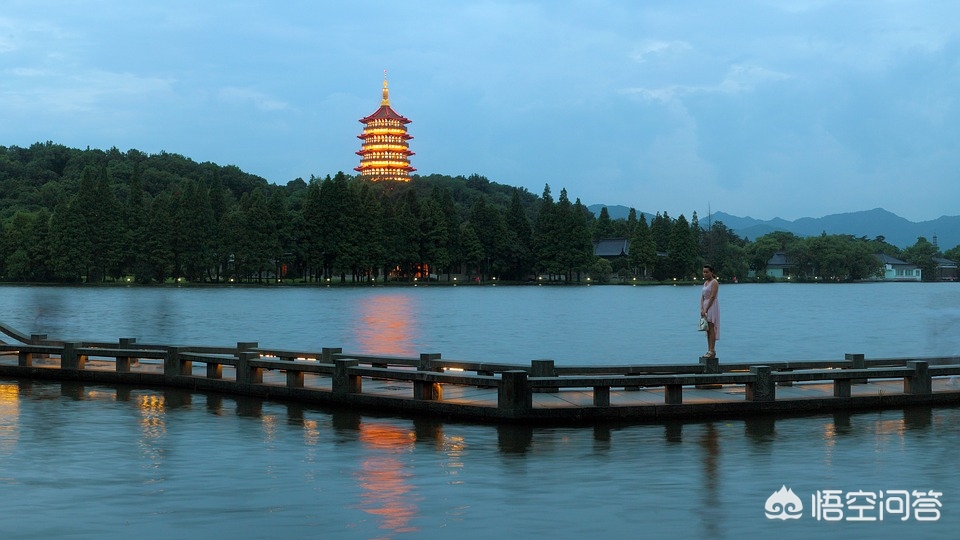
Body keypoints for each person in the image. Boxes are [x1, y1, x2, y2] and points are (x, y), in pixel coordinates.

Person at [700, 265, 720, 358]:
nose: (705, 274)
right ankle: (708, 349)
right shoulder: (705, 283)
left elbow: (712, 296)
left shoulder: (714, 282)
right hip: (705, 306)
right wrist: (702, 309)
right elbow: (702, 297)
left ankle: (712, 350)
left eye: (707, 272)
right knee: (707, 329)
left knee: (711, 328)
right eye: (704, 272)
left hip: (711, 306)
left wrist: (706, 309)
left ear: (712, 272)